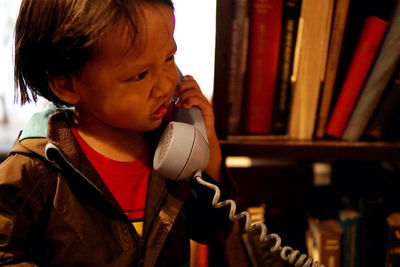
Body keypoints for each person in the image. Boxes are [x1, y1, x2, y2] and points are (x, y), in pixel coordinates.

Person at [0, 0, 234, 266]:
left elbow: (212, 229)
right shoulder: (35, 169)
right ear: (66, 84)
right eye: (140, 74)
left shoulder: (168, 148)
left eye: (169, 58)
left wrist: (206, 140)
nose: (166, 85)